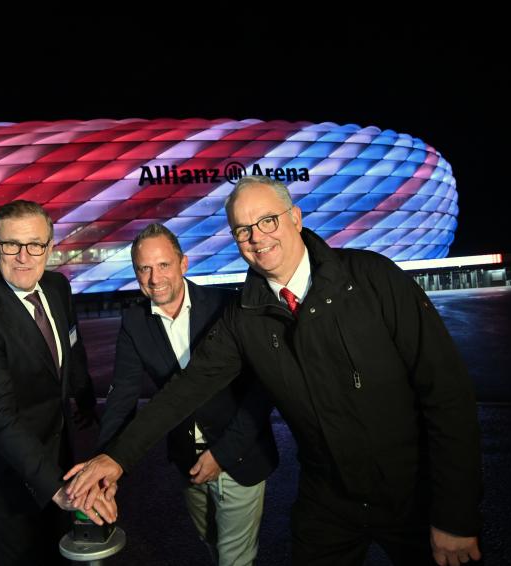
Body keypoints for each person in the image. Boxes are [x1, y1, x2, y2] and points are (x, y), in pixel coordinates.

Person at [66, 176, 483, 566]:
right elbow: (187, 387)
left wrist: (456, 515)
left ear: (295, 218)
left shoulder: (373, 279)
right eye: (242, 230)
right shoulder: (244, 315)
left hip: (413, 494)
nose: (256, 237)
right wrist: (115, 458)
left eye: (267, 220)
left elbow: (447, 396)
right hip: (328, 501)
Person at [98, 223, 278, 565]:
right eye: (144, 268)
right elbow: (121, 398)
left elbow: (260, 388)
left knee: (234, 558)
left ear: (183, 263)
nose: (154, 278)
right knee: (209, 541)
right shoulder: (135, 321)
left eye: (163, 265)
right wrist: (106, 464)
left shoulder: (227, 306)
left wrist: (223, 454)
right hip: (187, 461)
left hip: (238, 455)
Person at [0, 200, 116, 565]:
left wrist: (84, 397)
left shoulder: (58, 287)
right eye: (12, 244)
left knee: (59, 554)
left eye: (35, 245)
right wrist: (56, 488)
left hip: (54, 455)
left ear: (50, 245)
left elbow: (72, 347)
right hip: (4, 477)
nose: (24, 257)